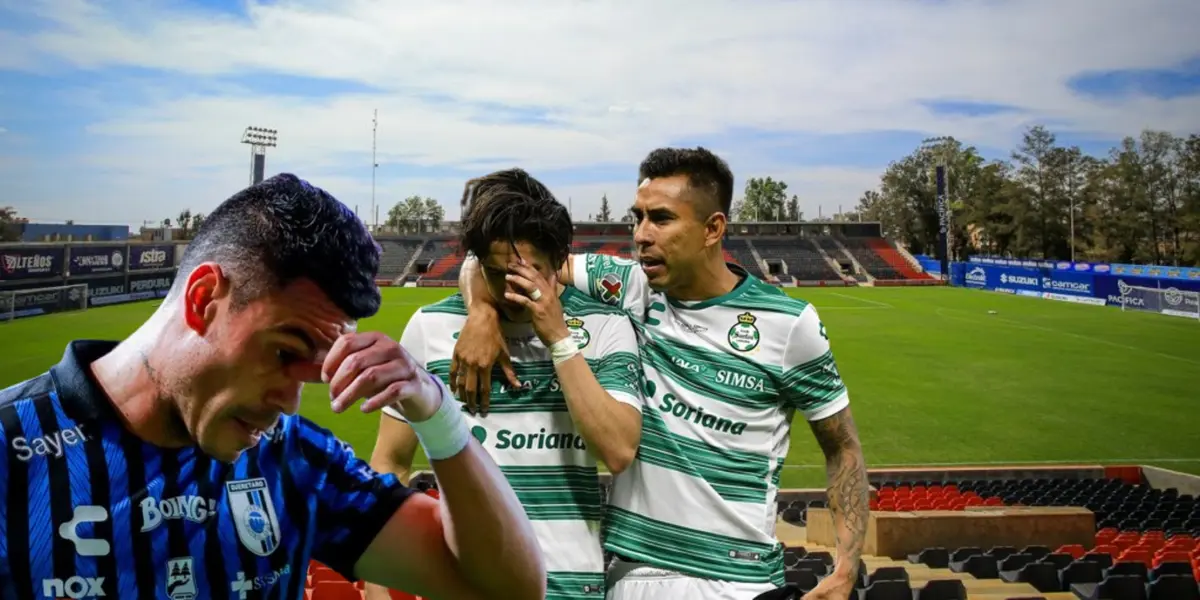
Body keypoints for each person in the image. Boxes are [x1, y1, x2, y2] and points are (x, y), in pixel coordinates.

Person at [0, 174, 545, 600]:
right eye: (284, 352)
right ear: (203, 298)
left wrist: (437, 412)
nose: (288, 402)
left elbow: (507, 588)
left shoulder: (295, 459)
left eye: (313, 367)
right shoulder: (10, 450)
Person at [454, 148, 869, 600]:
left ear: (713, 228)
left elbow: (842, 447)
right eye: (638, 217)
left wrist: (846, 567)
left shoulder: (788, 324)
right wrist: (480, 312)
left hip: (737, 582)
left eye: (661, 219)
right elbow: (498, 260)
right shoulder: (630, 287)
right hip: (634, 576)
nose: (641, 235)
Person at [365, 168, 644, 600]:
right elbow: (391, 462)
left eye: (530, 272)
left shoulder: (604, 325)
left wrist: (558, 338)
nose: (513, 289)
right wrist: (378, 591)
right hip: (466, 588)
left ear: (559, 262)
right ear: (476, 263)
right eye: (497, 273)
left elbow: (618, 449)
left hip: (571, 586)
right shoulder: (432, 327)